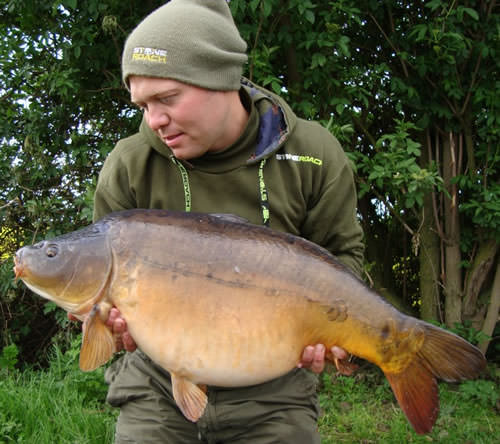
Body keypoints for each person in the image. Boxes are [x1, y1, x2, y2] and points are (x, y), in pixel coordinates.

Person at [88, 0, 365, 442]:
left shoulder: (313, 154)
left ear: (220, 80)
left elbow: (344, 258)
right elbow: (102, 279)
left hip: (275, 389)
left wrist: (331, 332)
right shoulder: (130, 164)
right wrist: (112, 324)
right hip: (157, 385)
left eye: (167, 98)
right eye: (141, 104)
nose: (154, 120)